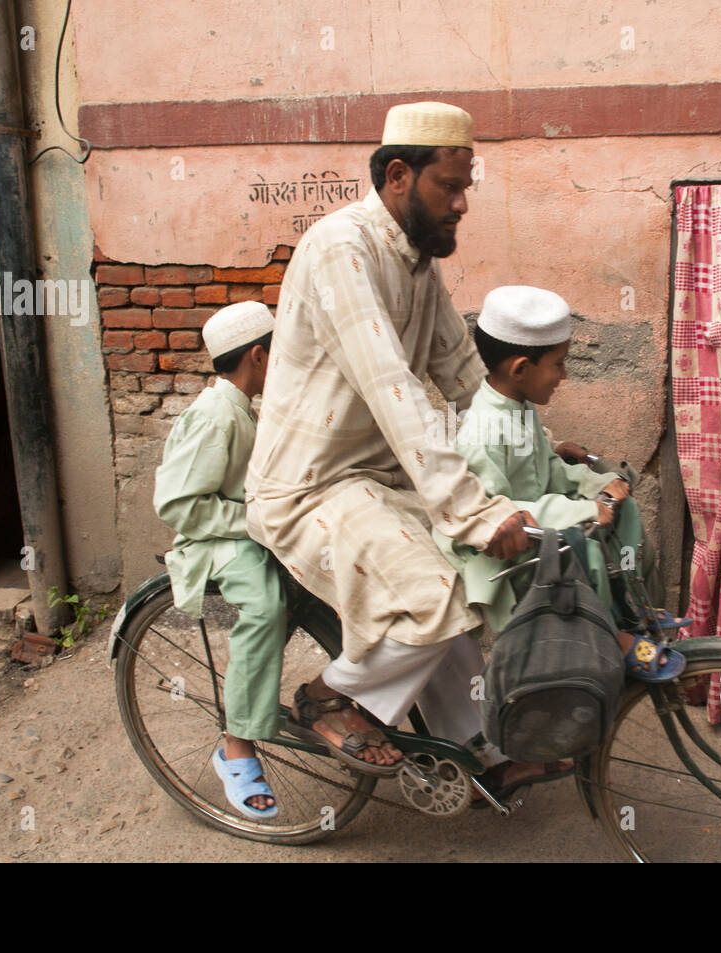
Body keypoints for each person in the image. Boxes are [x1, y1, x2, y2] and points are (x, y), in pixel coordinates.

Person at [245, 102, 566, 795]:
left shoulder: (417, 263)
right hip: (310, 486)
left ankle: (482, 750)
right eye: (451, 188)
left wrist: (534, 452)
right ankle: (331, 695)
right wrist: (474, 511)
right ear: (398, 175)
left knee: (465, 583)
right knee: (435, 592)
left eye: (465, 188)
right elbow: (395, 391)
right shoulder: (342, 248)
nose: (462, 204)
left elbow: (462, 375)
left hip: (376, 480)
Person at [436, 284, 686, 681]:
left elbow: (550, 473)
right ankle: (609, 633)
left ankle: (628, 605)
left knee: (626, 511)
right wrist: (587, 508)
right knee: (582, 548)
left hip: (537, 529)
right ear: (520, 368)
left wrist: (596, 484)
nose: (564, 375)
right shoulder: (483, 431)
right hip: (507, 549)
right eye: (558, 363)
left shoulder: (520, 410)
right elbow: (495, 514)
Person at [153, 301, 287, 818]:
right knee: (265, 605)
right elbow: (180, 505)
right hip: (212, 540)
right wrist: (252, 521)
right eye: (279, 353)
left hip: (241, 529)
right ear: (258, 355)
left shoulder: (241, 408)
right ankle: (236, 747)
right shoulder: (214, 416)